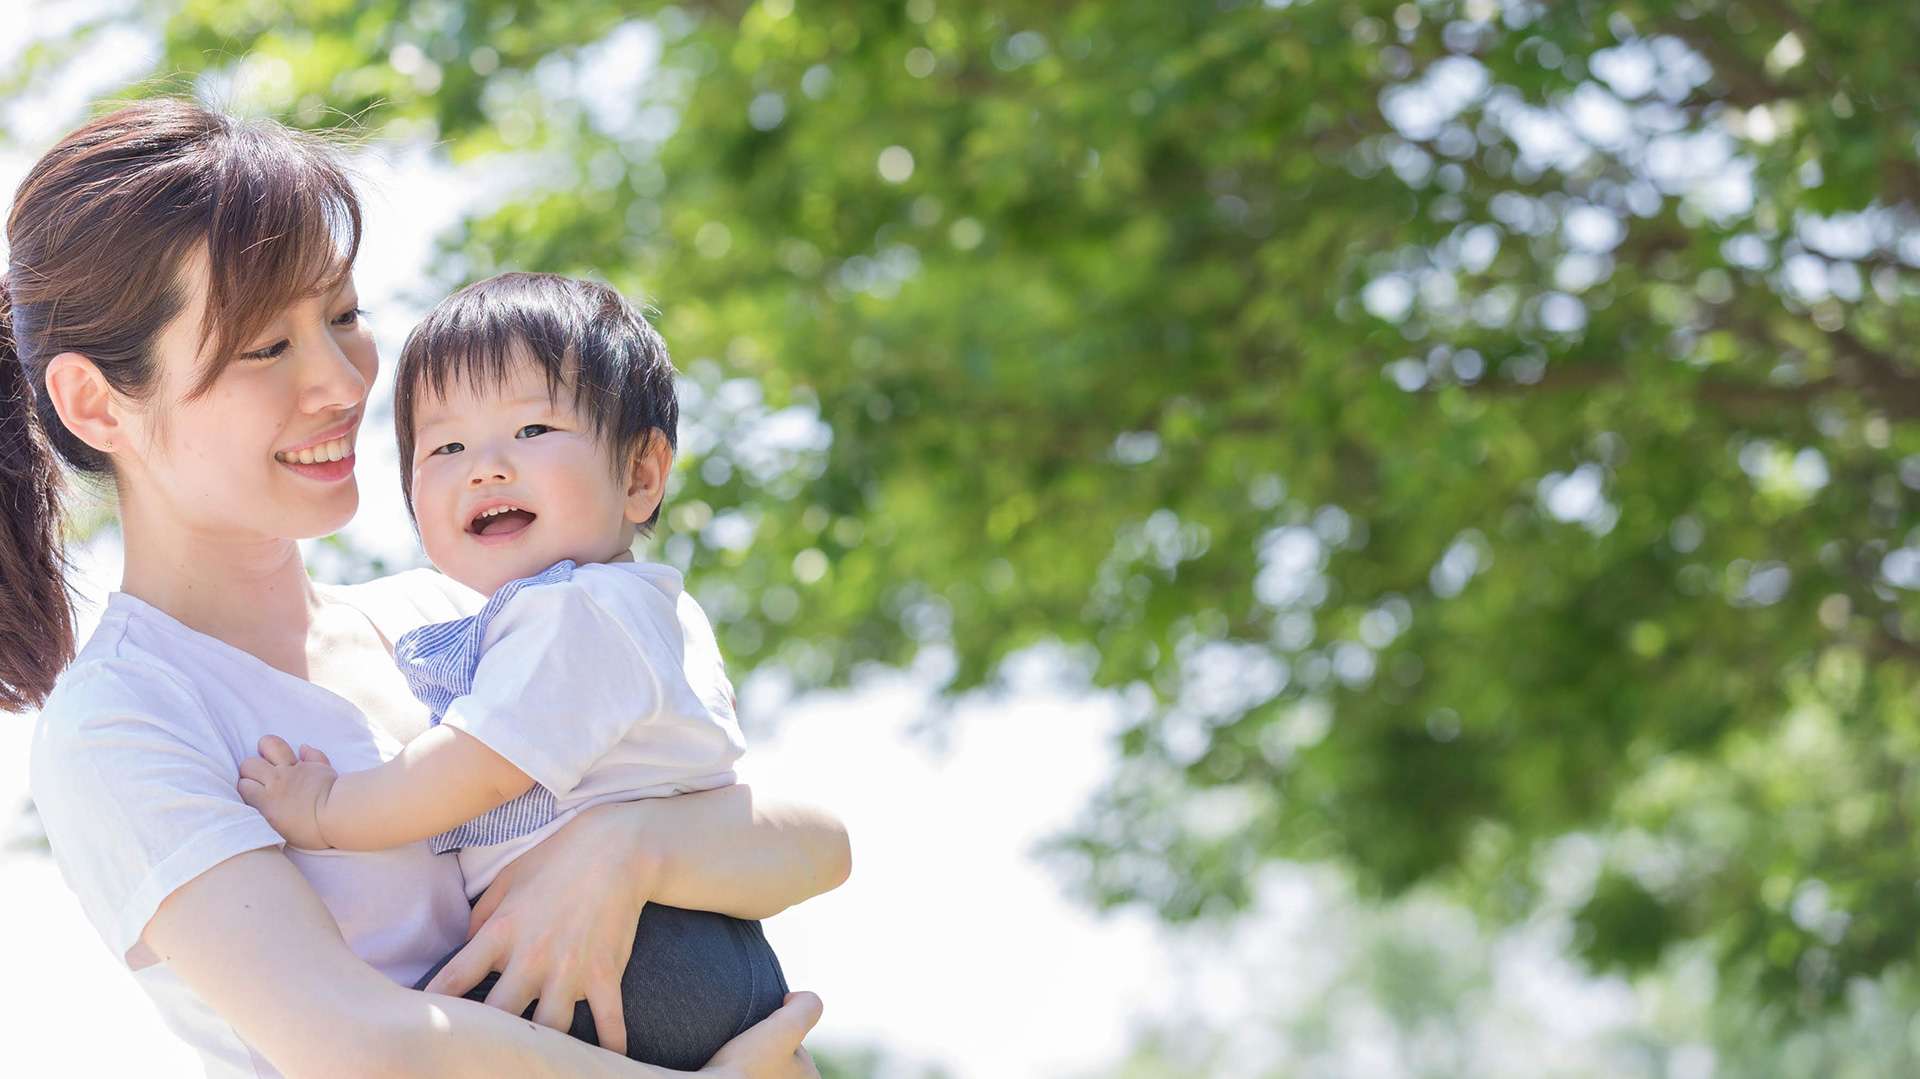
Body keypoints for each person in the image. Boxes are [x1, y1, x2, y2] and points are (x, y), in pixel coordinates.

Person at [2, 98, 848, 1078]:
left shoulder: (459, 612)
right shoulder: (126, 717)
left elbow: (816, 844)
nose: (343, 378)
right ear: (96, 401)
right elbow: (360, 1041)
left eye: (344, 316)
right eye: (266, 347)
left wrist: (629, 847)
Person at [238, 271, 790, 1069]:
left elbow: (476, 768)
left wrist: (327, 809)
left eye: (532, 429)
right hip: (687, 936)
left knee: (422, 1048)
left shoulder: (579, 611)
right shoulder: (624, 606)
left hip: (651, 950)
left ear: (639, 475)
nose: (486, 466)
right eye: (447, 446)